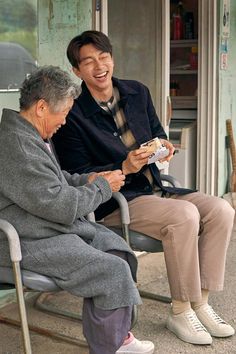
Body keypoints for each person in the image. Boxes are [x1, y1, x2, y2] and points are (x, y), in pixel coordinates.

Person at [52, 30, 235, 346]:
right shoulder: (74, 113)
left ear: (112, 57)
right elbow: (75, 174)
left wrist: (163, 146)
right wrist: (125, 166)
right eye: (89, 61)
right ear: (76, 71)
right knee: (185, 215)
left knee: (221, 209)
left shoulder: (137, 92)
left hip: (156, 188)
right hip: (116, 200)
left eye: (104, 56)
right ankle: (180, 310)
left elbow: (158, 133)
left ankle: (200, 303)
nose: (99, 66)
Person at [0, 66, 155, 354]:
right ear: (42, 107)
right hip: (26, 238)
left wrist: (89, 179)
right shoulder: (18, 145)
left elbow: (53, 180)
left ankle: (117, 335)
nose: (66, 120)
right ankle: (110, 346)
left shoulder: (31, 134)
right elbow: (60, 205)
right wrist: (102, 188)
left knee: (118, 251)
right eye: (64, 112)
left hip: (45, 227)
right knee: (111, 269)